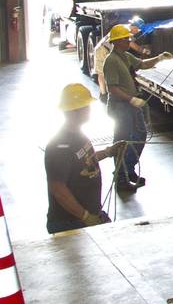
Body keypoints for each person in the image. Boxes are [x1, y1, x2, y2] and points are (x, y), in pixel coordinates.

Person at [45, 83, 125, 233]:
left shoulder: (78, 135)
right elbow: (58, 188)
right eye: (86, 107)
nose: (89, 111)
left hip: (89, 214)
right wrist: (85, 216)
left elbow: (85, 160)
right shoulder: (59, 147)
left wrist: (108, 152)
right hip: (70, 222)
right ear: (74, 111)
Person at [103, 24, 173, 191]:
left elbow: (142, 64)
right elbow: (112, 88)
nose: (129, 41)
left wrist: (159, 58)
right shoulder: (111, 61)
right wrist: (131, 99)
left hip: (131, 104)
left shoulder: (125, 56)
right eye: (126, 39)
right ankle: (121, 177)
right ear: (117, 41)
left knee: (140, 135)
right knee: (122, 140)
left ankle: (129, 169)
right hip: (120, 106)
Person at [94, 16, 150, 103]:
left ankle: (106, 93)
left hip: (109, 50)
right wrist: (142, 50)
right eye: (138, 29)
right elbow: (131, 43)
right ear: (135, 27)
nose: (138, 32)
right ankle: (103, 94)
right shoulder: (125, 30)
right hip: (102, 50)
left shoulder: (127, 29)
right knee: (101, 72)